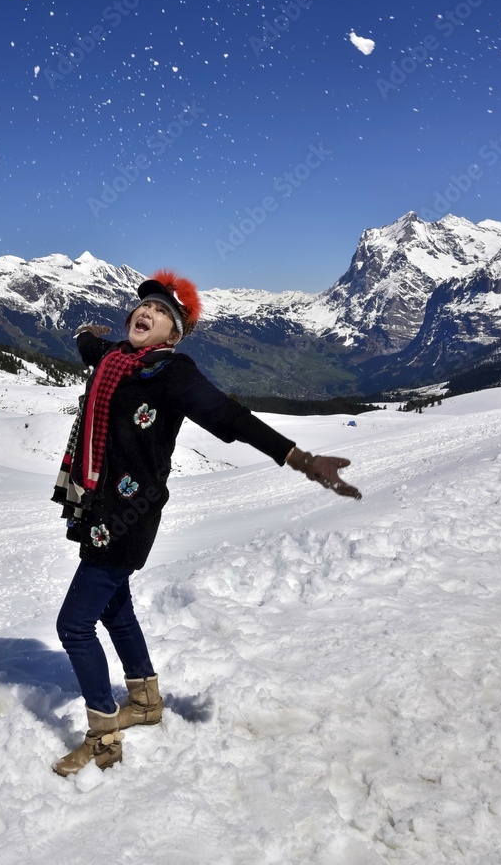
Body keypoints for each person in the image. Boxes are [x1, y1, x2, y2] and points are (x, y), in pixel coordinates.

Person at [51, 269, 361, 776]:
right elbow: (92, 348)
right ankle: (146, 701)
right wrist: (83, 333)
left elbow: (230, 417)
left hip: (129, 515)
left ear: (173, 334)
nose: (144, 313)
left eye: (160, 312)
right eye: (141, 306)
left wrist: (300, 458)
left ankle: (103, 739)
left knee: (74, 624)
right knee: (113, 607)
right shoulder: (114, 360)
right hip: (97, 506)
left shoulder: (172, 374)